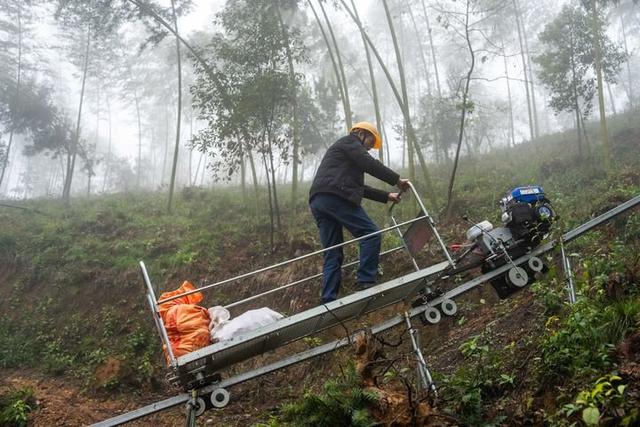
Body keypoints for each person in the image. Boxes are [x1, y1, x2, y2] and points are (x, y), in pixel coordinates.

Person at [309, 121, 410, 304]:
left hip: (319, 200)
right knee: (371, 234)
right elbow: (369, 164)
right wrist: (396, 180)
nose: (371, 146)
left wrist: (387, 195)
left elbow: (357, 187)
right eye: (371, 141)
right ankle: (365, 281)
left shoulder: (343, 159)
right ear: (360, 133)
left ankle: (328, 300)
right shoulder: (349, 143)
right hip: (336, 196)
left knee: (333, 252)